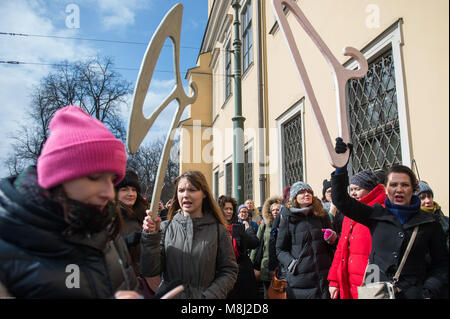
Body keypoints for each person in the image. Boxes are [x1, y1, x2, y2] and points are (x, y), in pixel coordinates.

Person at [0, 105, 139, 298]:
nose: (109, 193)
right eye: (94, 177)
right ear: (58, 178)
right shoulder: (7, 246)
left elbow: (130, 286)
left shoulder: (107, 228)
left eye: (111, 179)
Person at [332, 137, 449, 299]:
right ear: (386, 189)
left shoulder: (430, 222)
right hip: (376, 293)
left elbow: (442, 265)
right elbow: (341, 201)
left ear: (413, 189)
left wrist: (428, 291)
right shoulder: (376, 214)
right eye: (393, 185)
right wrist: (340, 167)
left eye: (405, 185)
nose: (399, 190)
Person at [140, 170, 238, 299]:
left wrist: (210, 296)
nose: (185, 195)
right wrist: (151, 237)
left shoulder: (218, 230)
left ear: (204, 194)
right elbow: (149, 270)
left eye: (192, 190)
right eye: (181, 190)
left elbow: (229, 271)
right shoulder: (165, 228)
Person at [328, 170, 387, 299]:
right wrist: (334, 280)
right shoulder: (349, 214)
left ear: (370, 189)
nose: (353, 193)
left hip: (371, 280)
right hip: (348, 280)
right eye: (351, 189)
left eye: (358, 189)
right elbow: (341, 248)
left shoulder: (380, 212)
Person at [276, 181, 337, 299]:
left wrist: (333, 238)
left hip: (325, 276)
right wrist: (292, 264)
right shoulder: (287, 217)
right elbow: (280, 249)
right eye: (302, 192)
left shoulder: (321, 214)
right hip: (300, 280)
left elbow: (334, 243)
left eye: (309, 192)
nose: (306, 194)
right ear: (294, 197)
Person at [116, 170, 158, 298]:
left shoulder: (143, 213)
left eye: (134, 190)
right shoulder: (111, 217)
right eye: (124, 189)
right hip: (125, 284)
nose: (131, 194)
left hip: (147, 281)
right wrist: (130, 239)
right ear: (115, 192)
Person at [219, 195, 259, 299]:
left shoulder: (238, 226)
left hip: (242, 273)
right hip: (223, 273)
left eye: (231, 209)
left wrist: (248, 229)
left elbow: (254, 243)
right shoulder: (216, 227)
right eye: (226, 209)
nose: (229, 211)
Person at [251, 196, 283, 298]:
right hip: (266, 265)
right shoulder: (264, 225)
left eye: (277, 209)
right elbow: (256, 243)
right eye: (273, 210)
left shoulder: (285, 224)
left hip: (282, 265)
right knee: (268, 294)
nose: (275, 212)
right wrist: (251, 261)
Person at [415, 181, 449, 250]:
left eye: (429, 196)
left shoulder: (446, 221)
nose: (428, 201)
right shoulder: (413, 223)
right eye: (422, 198)